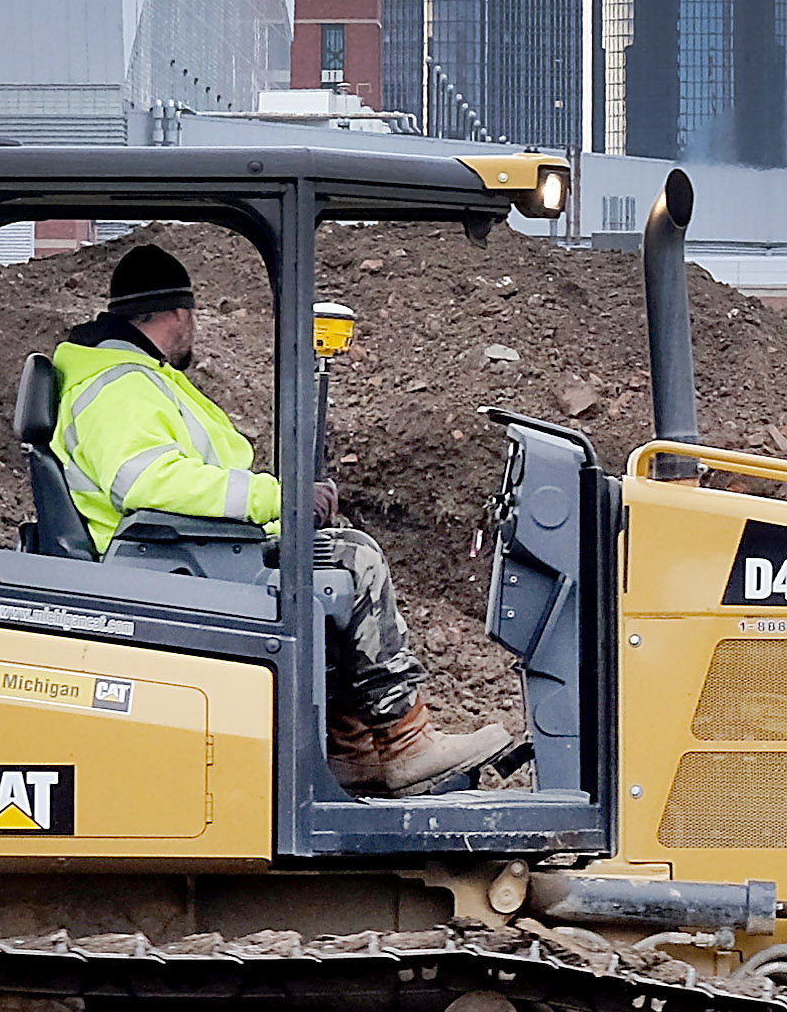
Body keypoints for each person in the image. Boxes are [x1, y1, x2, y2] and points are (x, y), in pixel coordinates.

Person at [48, 244, 521, 797]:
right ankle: (405, 739)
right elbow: (148, 482)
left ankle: (350, 751)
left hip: (189, 550)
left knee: (332, 559)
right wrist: (279, 499)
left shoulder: (128, 375)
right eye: (192, 316)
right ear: (177, 314)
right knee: (355, 558)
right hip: (169, 562)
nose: (193, 329)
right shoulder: (120, 385)